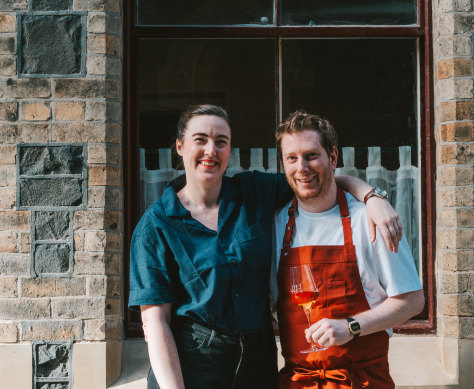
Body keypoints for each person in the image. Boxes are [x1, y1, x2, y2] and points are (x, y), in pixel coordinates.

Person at [128, 104, 404, 389]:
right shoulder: (156, 225)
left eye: (221, 141)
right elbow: (155, 324)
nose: (211, 150)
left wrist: (372, 196)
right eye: (201, 140)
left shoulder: (254, 192)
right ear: (180, 147)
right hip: (195, 364)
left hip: (257, 363)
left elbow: (315, 179)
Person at [271, 110, 425, 388]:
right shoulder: (276, 224)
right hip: (298, 382)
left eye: (311, 155)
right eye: (291, 158)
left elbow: (412, 300)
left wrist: (352, 326)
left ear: (333, 157)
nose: (301, 167)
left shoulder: (372, 220)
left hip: (360, 381)